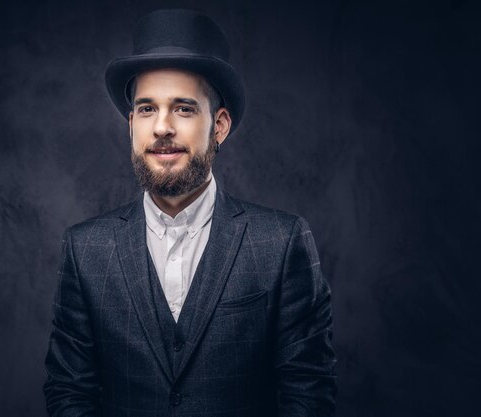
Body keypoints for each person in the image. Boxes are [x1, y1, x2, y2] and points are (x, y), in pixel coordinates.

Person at [43, 9, 337, 417]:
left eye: (182, 108)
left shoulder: (283, 243)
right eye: (147, 109)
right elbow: (69, 393)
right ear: (131, 125)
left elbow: (309, 394)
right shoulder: (84, 249)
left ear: (219, 125)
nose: (162, 127)